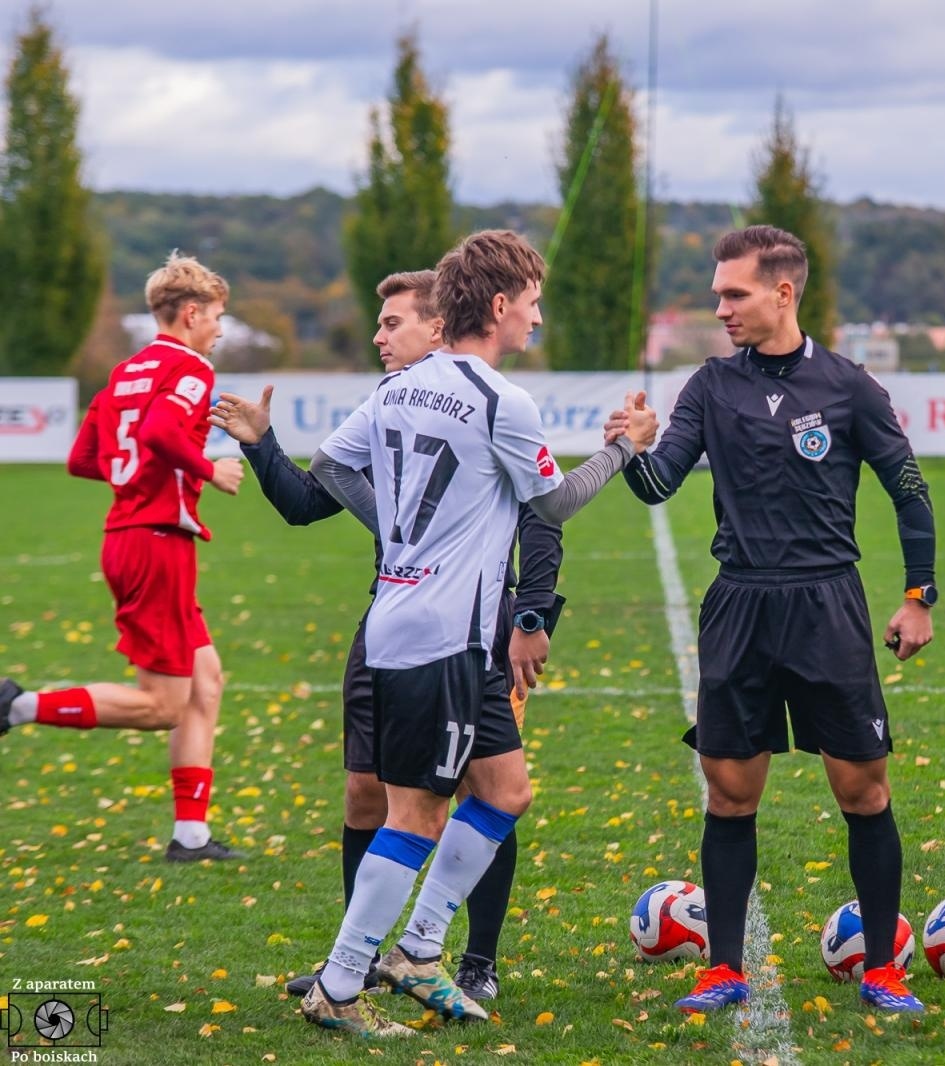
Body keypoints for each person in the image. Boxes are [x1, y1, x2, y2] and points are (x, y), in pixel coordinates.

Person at [297, 229, 656, 1039]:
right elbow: (554, 506)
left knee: (504, 791)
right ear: (498, 305)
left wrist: (396, 542)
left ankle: (418, 954)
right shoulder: (502, 398)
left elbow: (327, 463)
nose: (537, 317)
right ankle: (341, 982)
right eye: (531, 303)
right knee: (418, 814)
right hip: (442, 640)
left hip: (411, 626)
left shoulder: (399, 386)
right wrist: (622, 450)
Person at [208, 269, 562, 1001]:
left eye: (393, 322)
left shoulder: (482, 406)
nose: (378, 336)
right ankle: (362, 965)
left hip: (472, 627)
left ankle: (474, 961)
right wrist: (262, 444)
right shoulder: (391, 408)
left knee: (483, 787)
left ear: (439, 327)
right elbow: (311, 499)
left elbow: (541, 516)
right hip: (392, 621)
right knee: (367, 795)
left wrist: (531, 616)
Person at [615, 225, 937, 1015]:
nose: (720, 307)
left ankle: (885, 969)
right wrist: (632, 449)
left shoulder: (849, 385)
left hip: (828, 604)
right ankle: (724, 967)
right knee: (729, 793)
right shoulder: (710, 386)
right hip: (740, 603)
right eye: (718, 293)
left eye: (734, 293)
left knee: (862, 790)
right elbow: (658, 486)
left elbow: (911, 492)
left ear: (783, 292)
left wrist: (917, 596)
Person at [1, 253, 246, 862]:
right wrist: (207, 469)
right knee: (163, 705)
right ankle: (17, 705)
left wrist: (135, 477)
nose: (220, 329)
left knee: (205, 681)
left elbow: (83, 459)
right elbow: (163, 434)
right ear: (191, 314)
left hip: (132, 535)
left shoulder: (125, 373)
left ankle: (190, 836)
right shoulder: (190, 369)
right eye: (217, 317)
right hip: (156, 542)